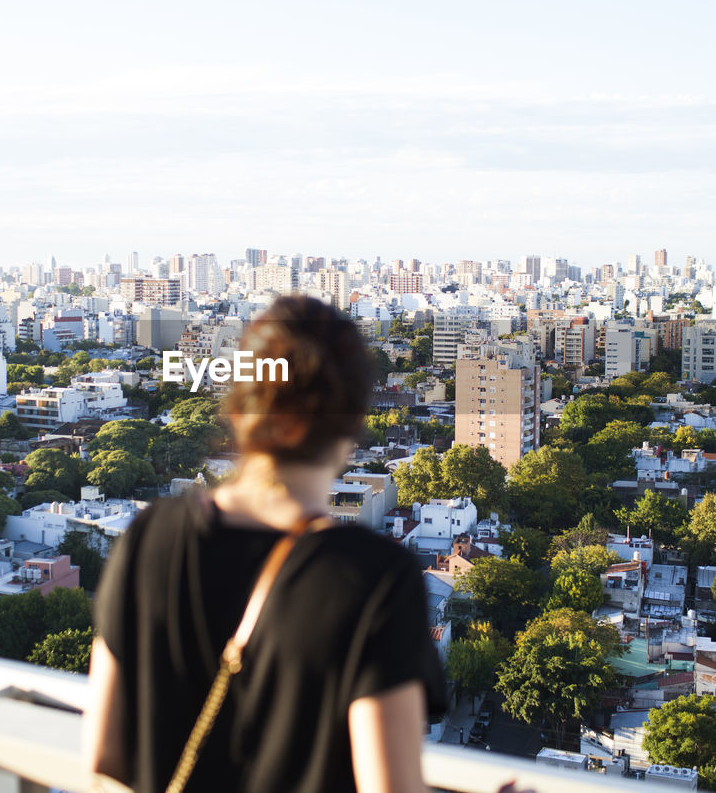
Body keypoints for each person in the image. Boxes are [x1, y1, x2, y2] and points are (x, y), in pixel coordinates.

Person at [83, 295, 447, 793]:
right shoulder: (373, 578)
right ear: (351, 423)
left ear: (239, 407)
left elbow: (104, 755)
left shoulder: (151, 537)